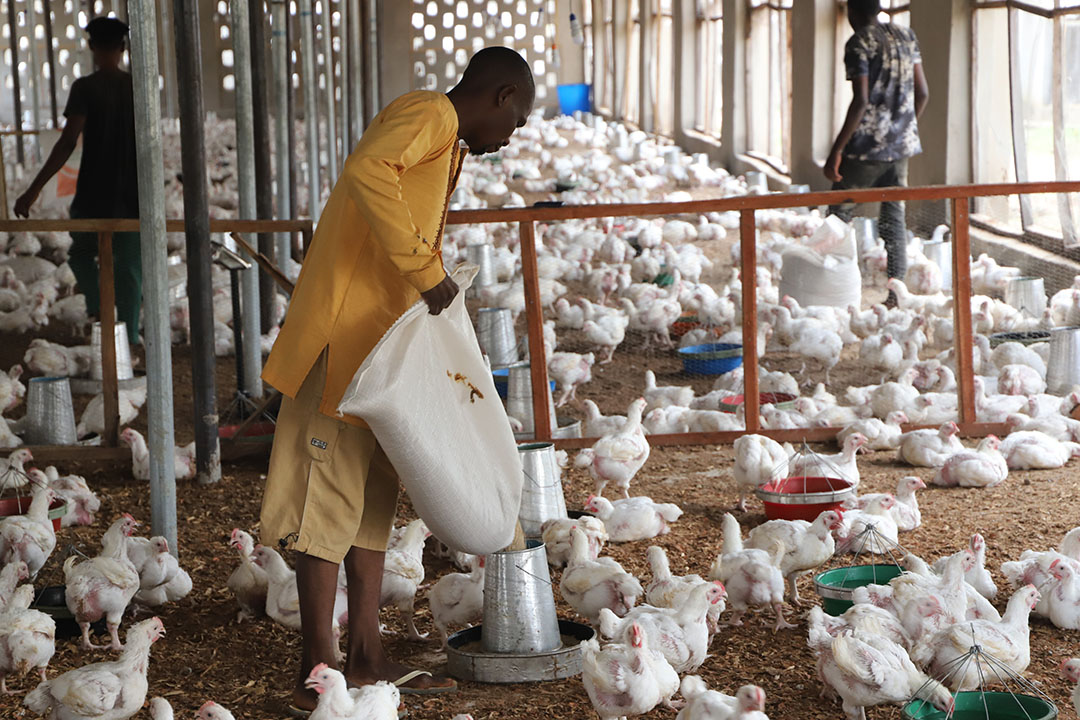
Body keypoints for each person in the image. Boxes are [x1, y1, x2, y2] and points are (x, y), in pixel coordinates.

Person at [259, 46, 535, 712]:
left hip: (383, 354)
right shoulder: (429, 114)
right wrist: (424, 270)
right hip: (342, 344)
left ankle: (367, 653)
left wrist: (426, 290)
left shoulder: (447, 141)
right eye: (517, 120)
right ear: (500, 97)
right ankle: (317, 673)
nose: (511, 137)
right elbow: (367, 167)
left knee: (372, 498)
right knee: (324, 503)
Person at [14, 17, 141, 345]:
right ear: (123, 48)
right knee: (128, 265)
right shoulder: (137, 88)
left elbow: (68, 141)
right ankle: (126, 335)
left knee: (83, 253)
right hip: (133, 194)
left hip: (93, 192)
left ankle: (100, 310)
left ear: (91, 47)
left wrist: (34, 188)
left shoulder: (85, 89)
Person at [825, 0, 928, 307]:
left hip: (867, 148)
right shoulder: (906, 35)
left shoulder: (859, 42)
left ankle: (832, 289)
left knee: (838, 213)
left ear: (853, 12)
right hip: (901, 147)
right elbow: (923, 93)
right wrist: (901, 129)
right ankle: (895, 295)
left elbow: (861, 100)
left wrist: (836, 151)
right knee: (893, 216)